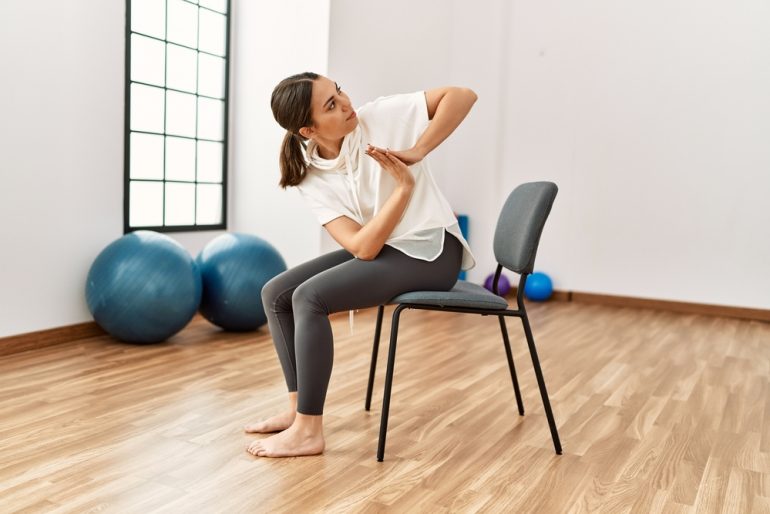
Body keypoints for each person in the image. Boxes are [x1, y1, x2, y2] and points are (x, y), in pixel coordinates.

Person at [245, 72, 477, 458]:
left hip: (433, 250)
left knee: (310, 297)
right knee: (277, 294)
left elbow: (463, 95)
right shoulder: (309, 174)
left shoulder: (380, 117)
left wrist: (418, 151)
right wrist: (402, 190)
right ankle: (296, 408)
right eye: (331, 105)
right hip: (386, 249)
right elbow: (361, 246)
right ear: (308, 129)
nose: (347, 103)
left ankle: (308, 430)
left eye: (339, 91)